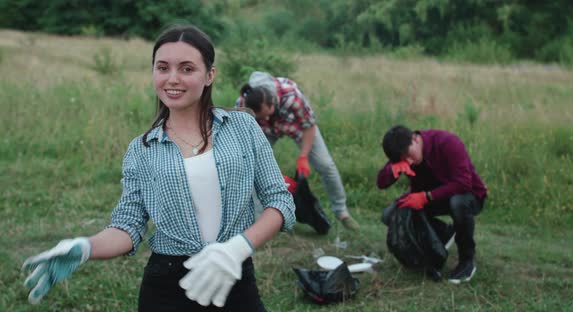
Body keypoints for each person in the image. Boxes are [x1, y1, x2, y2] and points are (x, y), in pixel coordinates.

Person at [21, 24, 295, 311]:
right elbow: (128, 227)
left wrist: (237, 248)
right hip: (166, 286)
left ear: (209, 75)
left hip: (234, 276)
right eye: (162, 68)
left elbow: (279, 200)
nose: (172, 79)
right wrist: (86, 248)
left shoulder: (243, 127)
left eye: (187, 69)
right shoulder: (141, 150)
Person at [235, 71, 359, 231]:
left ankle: (342, 212)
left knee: (326, 165)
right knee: (250, 167)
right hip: (266, 132)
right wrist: (264, 167)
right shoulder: (242, 105)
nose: (265, 119)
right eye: (261, 118)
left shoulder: (292, 97)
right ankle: (258, 219)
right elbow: (243, 137)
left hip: (299, 128)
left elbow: (309, 126)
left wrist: (303, 157)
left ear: (273, 102)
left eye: (267, 115)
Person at [377, 125, 487, 284]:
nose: (409, 161)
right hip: (434, 196)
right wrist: (391, 171)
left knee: (458, 203)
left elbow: (463, 182)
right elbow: (380, 183)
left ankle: (467, 261)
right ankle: (444, 233)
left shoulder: (448, 142)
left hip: (469, 194)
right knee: (390, 214)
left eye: (409, 155)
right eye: (402, 159)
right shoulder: (400, 150)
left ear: (415, 139)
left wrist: (426, 197)